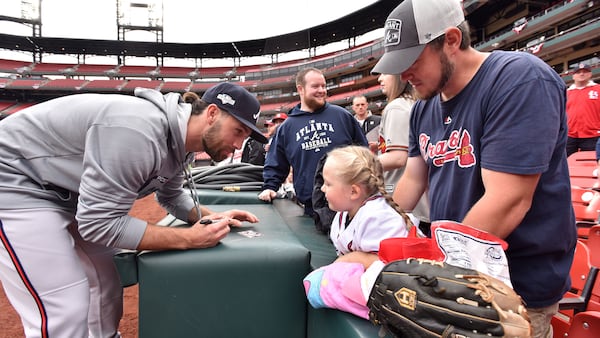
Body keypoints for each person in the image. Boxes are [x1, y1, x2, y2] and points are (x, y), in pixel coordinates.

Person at [373, 0, 576, 337]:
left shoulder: (518, 80)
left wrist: (437, 273)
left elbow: (507, 200)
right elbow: (412, 180)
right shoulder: (424, 106)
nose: (403, 74)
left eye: (412, 59)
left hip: (513, 289)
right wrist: (371, 228)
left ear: (451, 40)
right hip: (454, 276)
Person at [0, 82, 266, 338]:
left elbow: (172, 196)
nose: (239, 145)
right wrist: (189, 239)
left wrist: (212, 216)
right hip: (15, 180)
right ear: (211, 114)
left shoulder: (183, 142)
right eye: (238, 131)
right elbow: (99, 224)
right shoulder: (140, 130)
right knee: (63, 302)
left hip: (63, 191)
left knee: (107, 279)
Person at [303, 145, 420, 319]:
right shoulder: (343, 213)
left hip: (403, 289)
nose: (322, 189)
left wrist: (346, 260)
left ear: (354, 191)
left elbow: (388, 266)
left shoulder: (378, 216)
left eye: (328, 184)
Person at [258, 67, 368, 216]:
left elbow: (364, 154)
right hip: (312, 207)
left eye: (324, 85)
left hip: (349, 204)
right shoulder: (287, 127)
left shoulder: (342, 116)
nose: (322, 90)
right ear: (300, 89)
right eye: (315, 86)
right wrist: (270, 186)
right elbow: (276, 162)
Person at [375, 73, 431, 235]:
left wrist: (360, 164)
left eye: (385, 74)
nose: (380, 79)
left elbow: (398, 157)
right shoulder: (413, 103)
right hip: (422, 203)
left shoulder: (397, 107)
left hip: (406, 200)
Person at [566, 63, 600, 157]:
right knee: (566, 164)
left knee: (589, 165)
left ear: (590, 74)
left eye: (585, 72)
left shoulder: (598, 89)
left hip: (593, 135)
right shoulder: (566, 93)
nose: (582, 74)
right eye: (578, 72)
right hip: (570, 135)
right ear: (573, 76)